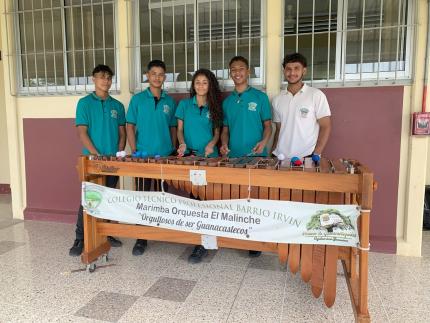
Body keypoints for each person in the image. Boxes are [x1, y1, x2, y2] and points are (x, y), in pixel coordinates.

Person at [69, 64, 126, 257]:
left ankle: (107, 234)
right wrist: (96, 154)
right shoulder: (84, 103)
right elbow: (81, 132)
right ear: (93, 79)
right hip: (92, 160)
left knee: (109, 198)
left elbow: (122, 133)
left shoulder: (117, 106)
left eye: (109, 77)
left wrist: (118, 153)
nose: (106, 80)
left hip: (112, 162)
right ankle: (80, 238)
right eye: (102, 76)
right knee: (89, 199)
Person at [220, 56, 272, 258]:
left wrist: (264, 142)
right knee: (238, 199)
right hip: (234, 158)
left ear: (248, 71)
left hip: (257, 158)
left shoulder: (260, 97)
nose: (237, 72)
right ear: (230, 73)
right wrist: (224, 144)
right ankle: (241, 236)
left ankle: (256, 240)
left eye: (241, 69)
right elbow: (225, 129)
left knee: (257, 201)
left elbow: (268, 126)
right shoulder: (228, 102)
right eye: (233, 69)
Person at [126, 59, 177, 256]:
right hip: (144, 157)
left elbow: (173, 127)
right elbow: (130, 125)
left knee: (161, 195)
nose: (157, 77)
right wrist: (135, 149)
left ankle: (159, 229)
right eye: (153, 73)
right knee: (143, 196)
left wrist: (172, 149)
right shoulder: (137, 100)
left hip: (164, 157)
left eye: (161, 74)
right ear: (147, 76)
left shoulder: (169, 102)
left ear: (164, 77)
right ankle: (141, 237)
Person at [175, 68, 223, 263]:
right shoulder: (184, 105)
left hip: (210, 159)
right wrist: (182, 144)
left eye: (204, 82)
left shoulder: (215, 106)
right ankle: (199, 240)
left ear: (210, 85)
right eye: (197, 82)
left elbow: (217, 133)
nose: (201, 86)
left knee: (208, 200)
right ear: (193, 86)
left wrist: (212, 144)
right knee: (194, 199)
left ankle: (204, 241)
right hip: (191, 158)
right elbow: (179, 130)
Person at [271, 53, 331, 160]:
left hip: (306, 157)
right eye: (288, 69)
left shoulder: (316, 95)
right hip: (280, 157)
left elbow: (325, 126)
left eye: (296, 68)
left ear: (304, 71)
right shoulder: (277, 99)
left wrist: (316, 154)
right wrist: (273, 152)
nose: (292, 72)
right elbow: (279, 129)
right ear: (284, 71)